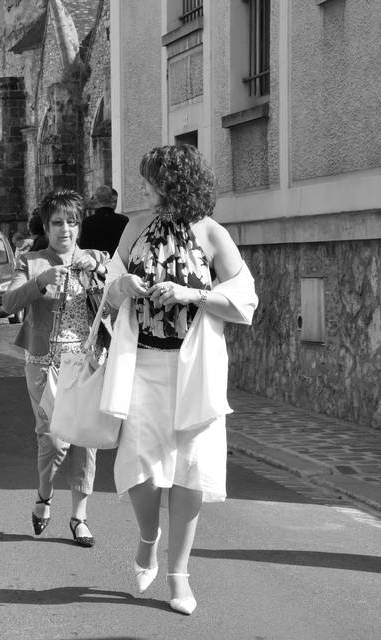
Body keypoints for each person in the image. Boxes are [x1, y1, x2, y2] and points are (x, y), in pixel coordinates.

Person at [103, 145, 257, 615]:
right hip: (143, 366)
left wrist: (191, 292)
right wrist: (122, 286)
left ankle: (179, 575)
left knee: (191, 469)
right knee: (140, 469)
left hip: (194, 368)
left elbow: (245, 298)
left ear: (175, 183)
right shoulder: (134, 228)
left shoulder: (210, 233)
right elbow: (108, 294)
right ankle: (148, 536)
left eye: (151, 180)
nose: (143, 188)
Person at [1, 190, 109, 548]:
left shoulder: (97, 258)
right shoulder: (31, 261)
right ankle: (44, 496)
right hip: (43, 363)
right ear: (46, 226)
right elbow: (8, 302)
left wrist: (102, 275)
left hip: (86, 361)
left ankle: (79, 517)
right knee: (52, 437)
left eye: (72, 222)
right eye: (58, 222)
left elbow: (119, 300)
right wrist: (41, 281)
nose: (66, 229)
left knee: (84, 439)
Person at [79, 185, 128, 255]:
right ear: (112, 199)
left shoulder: (88, 222)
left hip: (97, 263)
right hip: (117, 263)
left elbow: (84, 249)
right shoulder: (124, 220)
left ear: (96, 200)